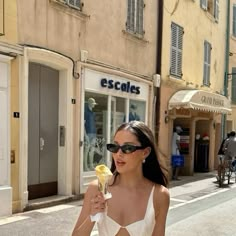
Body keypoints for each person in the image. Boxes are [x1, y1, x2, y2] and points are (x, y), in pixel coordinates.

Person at [72, 121, 170, 236]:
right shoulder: (97, 189)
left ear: (145, 152)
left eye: (127, 148)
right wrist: (92, 216)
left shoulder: (159, 195)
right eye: (114, 147)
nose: (118, 153)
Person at [84, 97, 97, 171]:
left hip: (93, 133)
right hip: (88, 133)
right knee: (86, 150)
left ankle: (91, 165)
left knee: (92, 150)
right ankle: (86, 166)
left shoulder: (93, 113)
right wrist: (85, 135)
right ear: (89, 103)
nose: (94, 105)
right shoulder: (86, 112)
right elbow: (83, 124)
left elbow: (93, 123)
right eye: (93, 103)